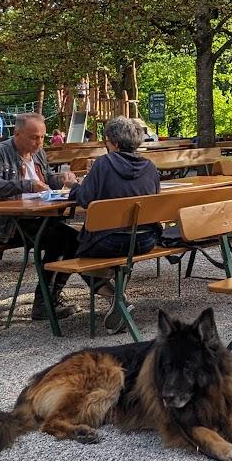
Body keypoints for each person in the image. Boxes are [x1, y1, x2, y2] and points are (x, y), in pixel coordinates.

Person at [0, 112, 80, 321]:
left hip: (39, 217)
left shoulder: (38, 153)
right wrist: (27, 185)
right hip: (8, 223)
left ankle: (50, 297)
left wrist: (63, 179)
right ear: (17, 134)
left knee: (76, 239)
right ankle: (43, 303)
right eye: (34, 137)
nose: (39, 142)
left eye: (42, 137)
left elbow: (47, 179)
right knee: (60, 239)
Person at [69, 116, 161, 334]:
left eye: (106, 140)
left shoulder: (103, 163)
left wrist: (72, 185)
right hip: (145, 239)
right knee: (103, 242)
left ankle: (115, 297)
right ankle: (116, 297)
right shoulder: (150, 166)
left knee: (71, 248)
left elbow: (84, 198)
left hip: (110, 242)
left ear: (114, 143)